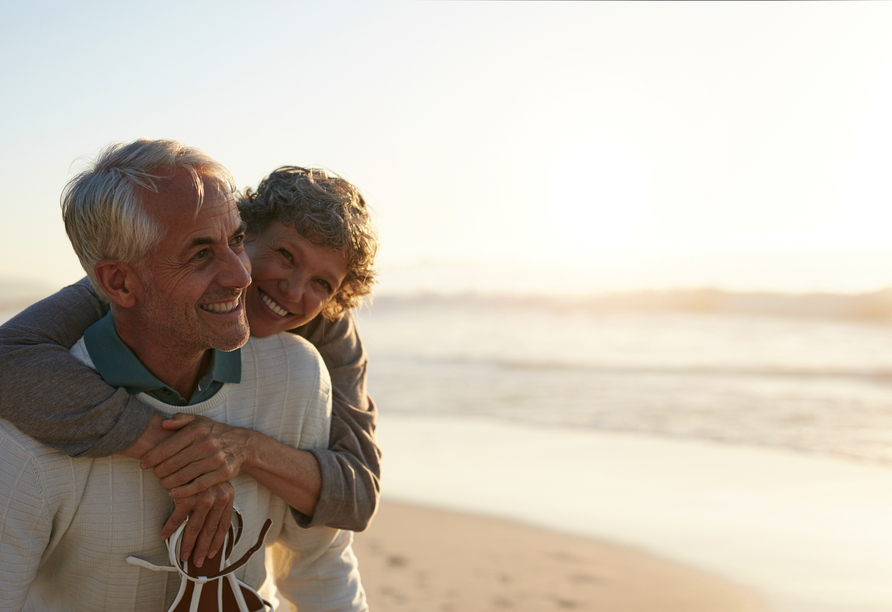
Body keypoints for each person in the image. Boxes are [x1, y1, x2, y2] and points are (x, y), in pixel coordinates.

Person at [0, 139, 367, 610]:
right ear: (118, 283)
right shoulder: (26, 423)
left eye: (234, 241)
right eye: (200, 253)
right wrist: (173, 451)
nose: (241, 276)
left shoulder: (300, 371)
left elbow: (326, 555)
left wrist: (245, 448)